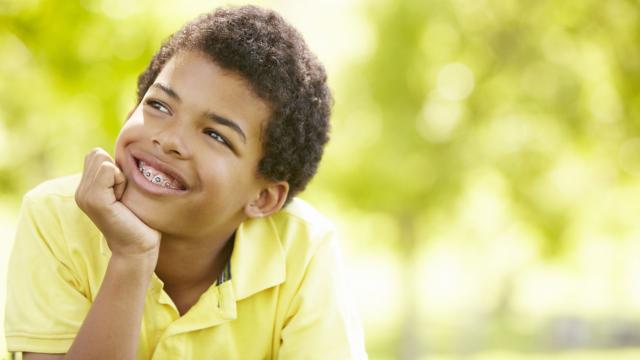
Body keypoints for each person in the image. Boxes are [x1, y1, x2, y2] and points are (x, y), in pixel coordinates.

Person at [4, 5, 366, 359]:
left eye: (215, 135)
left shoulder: (303, 250)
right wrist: (131, 258)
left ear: (265, 197)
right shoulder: (57, 218)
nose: (169, 140)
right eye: (159, 106)